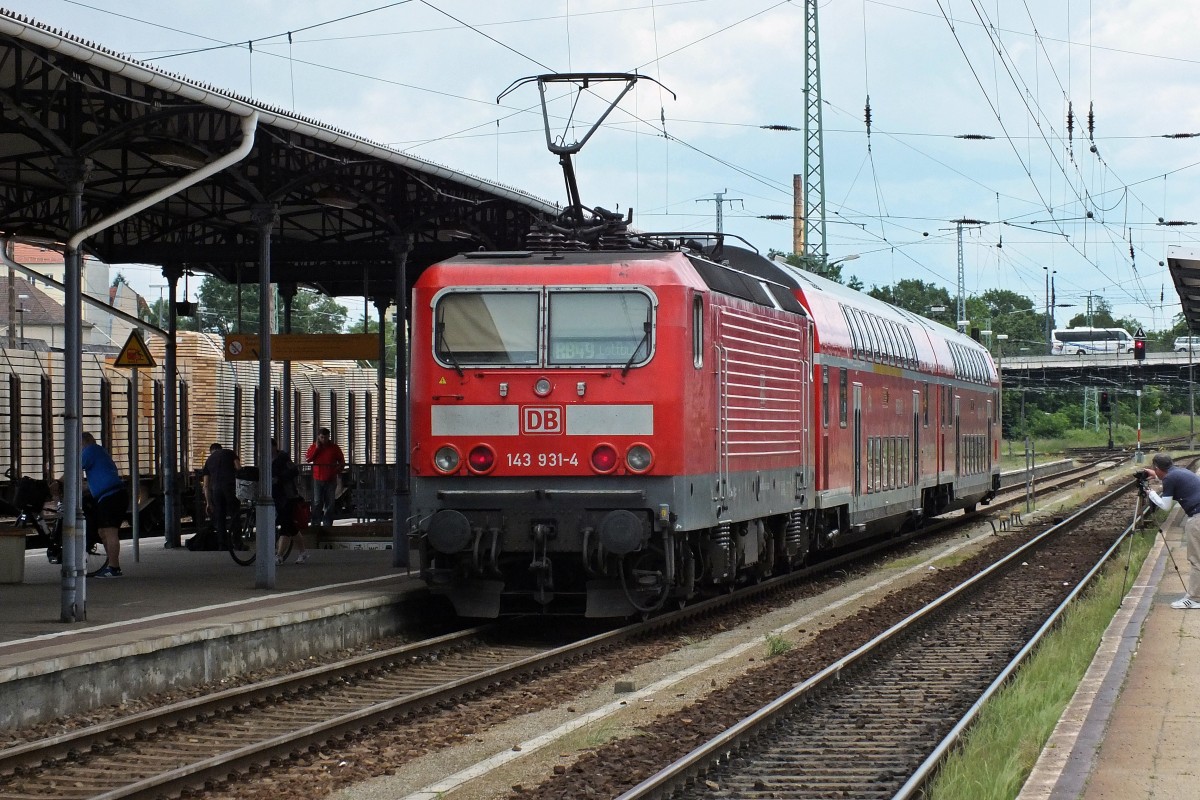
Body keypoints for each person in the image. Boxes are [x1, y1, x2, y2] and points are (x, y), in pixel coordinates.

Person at [1140, 453, 1200, 609]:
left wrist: (1150, 493)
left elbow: (1165, 505)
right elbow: (1169, 478)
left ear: (1158, 468)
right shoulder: (1180, 472)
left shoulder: (1169, 479)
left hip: (1197, 517)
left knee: (1196, 559)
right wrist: (1155, 475)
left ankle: (1194, 598)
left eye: (1154, 469)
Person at [81, 432, 128, 577]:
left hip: (111, 496)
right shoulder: (100, 452)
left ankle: (114, 568)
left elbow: (73, 470)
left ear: (85, 441)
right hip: (111, 496)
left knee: (109, 532)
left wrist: (59, 482)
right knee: (103, 532)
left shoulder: (91, 450)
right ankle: (112, 566)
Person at [272, 438, 309, 565]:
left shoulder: (283, 458)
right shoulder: (266, 459)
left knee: (286, 525)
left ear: (274, 447)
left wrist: (280, 478)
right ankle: (303, 552)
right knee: (291, 527)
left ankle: (279, 555)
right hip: (275, 496)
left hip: (287, 496)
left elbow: (294, 471)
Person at [199, 443, 240, 550]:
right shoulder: (230, 453)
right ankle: (237, 543)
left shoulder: (208, 460)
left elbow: (206, 485)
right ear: (220, 449)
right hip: (230, 488)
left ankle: (222, 544)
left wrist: (208, 503)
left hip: (216, 490)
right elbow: (238, 468)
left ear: (211, 451)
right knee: (235, 515)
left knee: (220, 517)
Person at [305, 427, 344, 529]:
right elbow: (308, 459)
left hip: (331, 479)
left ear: (328, 437)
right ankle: (315, 523)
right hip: (318, 478)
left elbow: (342, 461)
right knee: (317, 502)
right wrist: (317, 449)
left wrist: (336, 471)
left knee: (330, 503)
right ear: (318, 437)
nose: (324, 440)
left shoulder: (334, 448)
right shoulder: (314, 447)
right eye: (322, 437)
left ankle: (327, 523)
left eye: (326, 438)